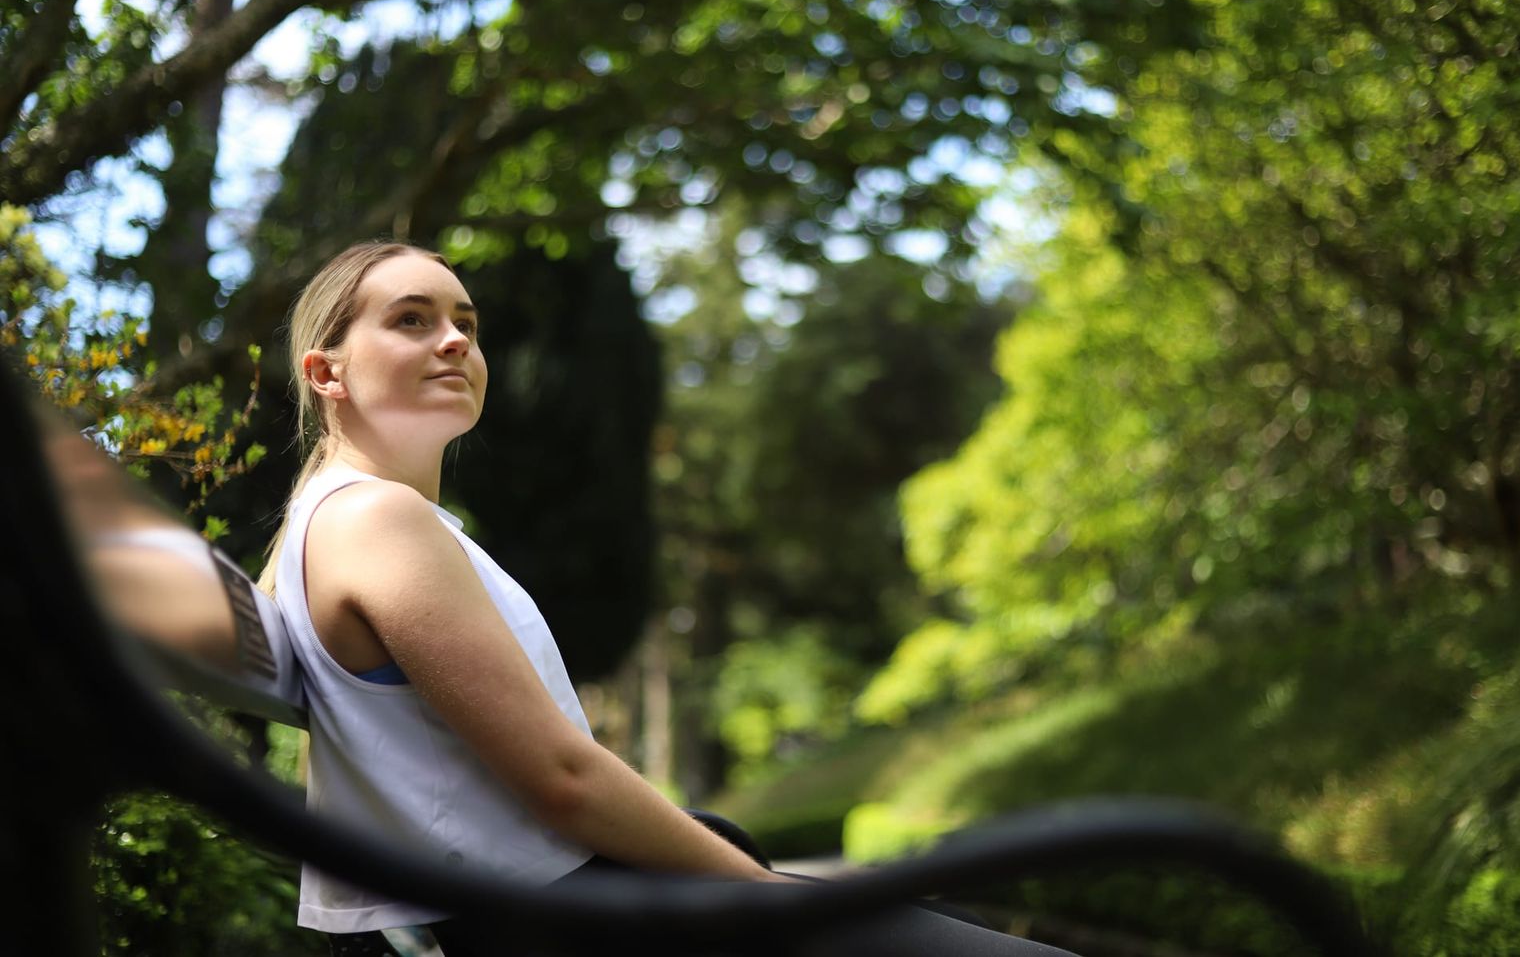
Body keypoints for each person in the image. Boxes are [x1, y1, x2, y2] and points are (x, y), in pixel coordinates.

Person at [244, 240, 1079, 956]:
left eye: (467, 321)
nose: (456, 340)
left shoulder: (361, 516)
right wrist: (760, 890)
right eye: (412, 319)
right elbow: (564, 780)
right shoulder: (376, 518)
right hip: (576, 919)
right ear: (327, 372)